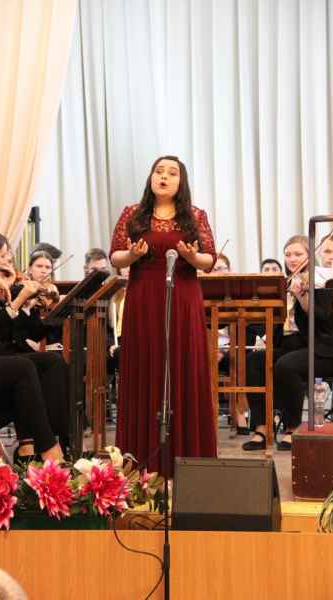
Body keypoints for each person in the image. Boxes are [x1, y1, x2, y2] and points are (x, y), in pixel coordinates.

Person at [110, 155, 217, 474]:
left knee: (182, 366)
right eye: (159, 171)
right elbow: (115, 257)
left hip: (182, 297)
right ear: (151, 178)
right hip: (143, 298)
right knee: (146, 367)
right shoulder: (133, 213)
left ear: (181, 182)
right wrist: (132, 255)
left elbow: (209, 261)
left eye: (172, 173)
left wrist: (191, 256)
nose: (164, 177)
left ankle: (188, 461)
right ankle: (141, 462)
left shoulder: (195, 215)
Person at [0, 229, 69, 460]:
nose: (9, 261)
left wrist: (27, 304)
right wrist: (9, 298)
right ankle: (45, 450)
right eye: (4, 256)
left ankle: (56, 441)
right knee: (24, 370)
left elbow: (15, 331)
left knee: (52, 362)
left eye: (10, 256)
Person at [243, 235, 333, 451]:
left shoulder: (321, 281)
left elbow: (324, 321)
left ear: (309, 256)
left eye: (298, 254)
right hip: (289, 346)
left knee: (286, 365)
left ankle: (293, 428)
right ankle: (261, 428)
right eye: (288, 254)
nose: (292, 259)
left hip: (320, 348)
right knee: (254, 360)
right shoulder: (283, 284)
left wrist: (303, 298)